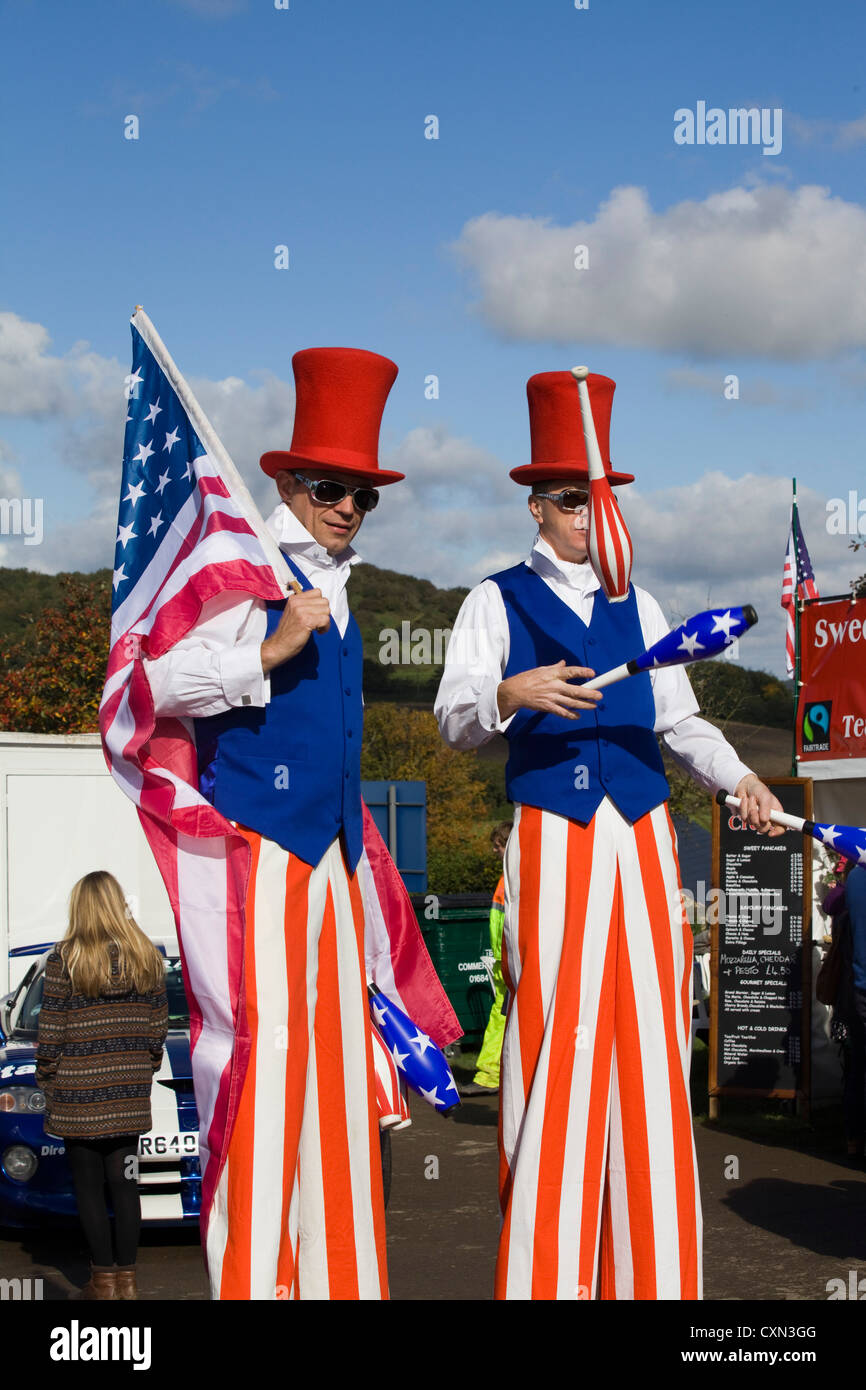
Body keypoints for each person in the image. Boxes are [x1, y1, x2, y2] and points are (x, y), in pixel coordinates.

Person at [435, 368, 783, 1301]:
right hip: (553, 841)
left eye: (598, 496)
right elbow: (452, 718)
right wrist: (508, 694)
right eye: (568, 500)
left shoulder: (648, 605)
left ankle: (655, 1284)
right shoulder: (494, 599)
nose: (587, 515)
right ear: (537, 507)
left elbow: (680, 723)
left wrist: (741, 776)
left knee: (655, 1058)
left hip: (645, 841)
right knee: (558, 1055)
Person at [143, 347, 408, 1301]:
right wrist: (270, 646)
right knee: (257, 1085)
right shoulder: (235, 568)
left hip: (334, 867)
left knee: (335, 1096)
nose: (348, 507)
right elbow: (157, 682)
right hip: (258, 866)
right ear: (289, 481)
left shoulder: (342, 588)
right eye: (331, 487)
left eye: (365, 494)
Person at [35, 871, 168, 1301]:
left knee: (89, 1189)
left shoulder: (65, 960)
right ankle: (127, 1284)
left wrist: (48, 1080)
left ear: (82, 907)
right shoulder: (146, 957)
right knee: (128, 1186)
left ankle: (104, 1284)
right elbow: (157, 1029)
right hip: (128, 1099)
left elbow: (50, 1033)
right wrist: (142, 1072)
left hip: (78, 1100)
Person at [461, 821, 511, 1096]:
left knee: (501, 1015)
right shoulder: (509, 876)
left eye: (498, 845)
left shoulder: (513, 876)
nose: (495, 851)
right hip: (505, 961)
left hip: (508, 963)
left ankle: (490, 1075)